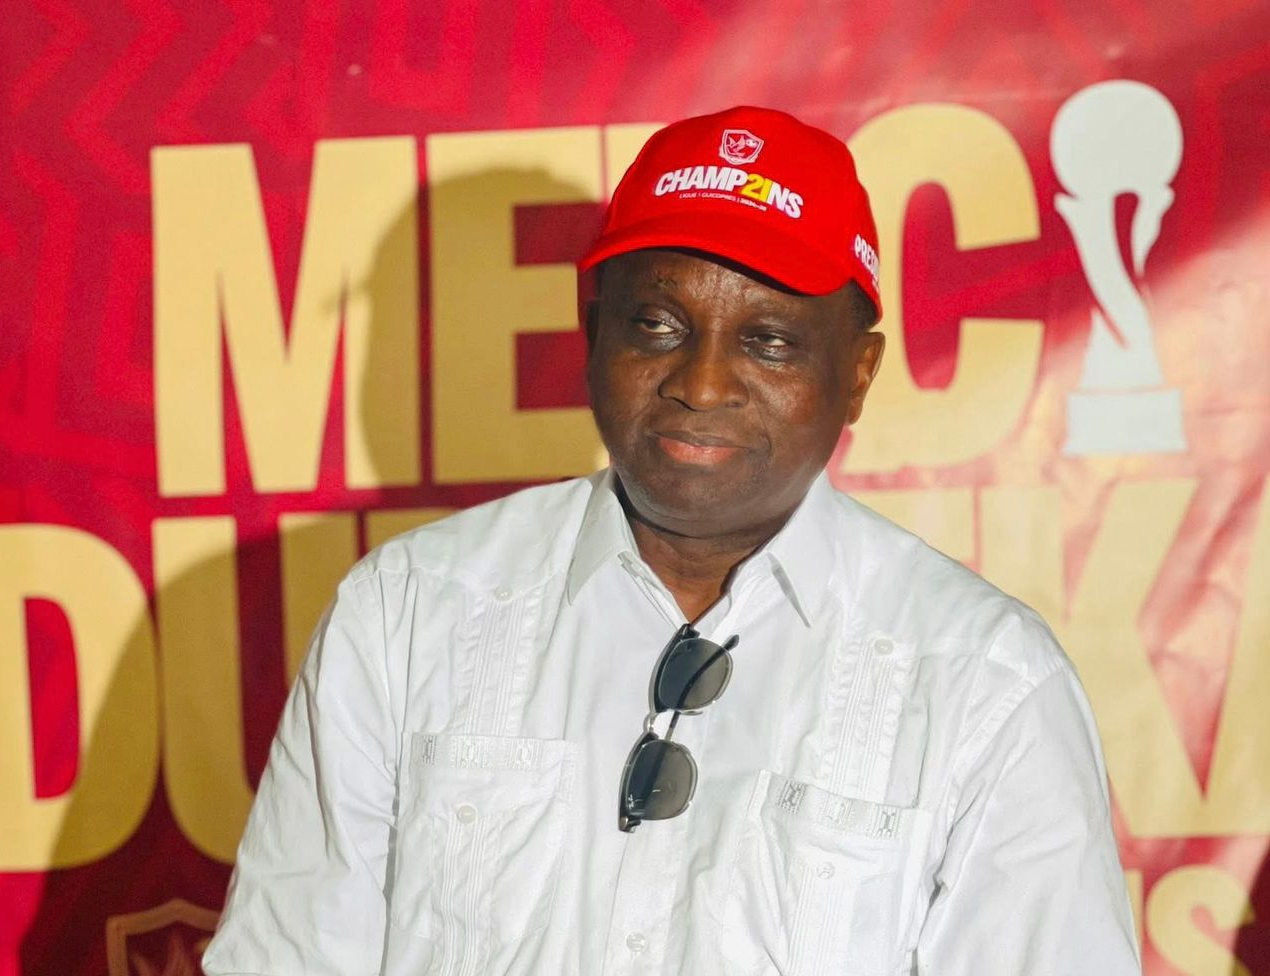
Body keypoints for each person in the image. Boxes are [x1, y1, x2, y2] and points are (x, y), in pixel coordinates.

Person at [203, 106, 1141, 975]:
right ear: (591, 335)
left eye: (769, 341)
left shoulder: (984, 682)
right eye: (656, 324)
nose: (700, 383)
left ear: (857, 374)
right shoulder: (409, 612)